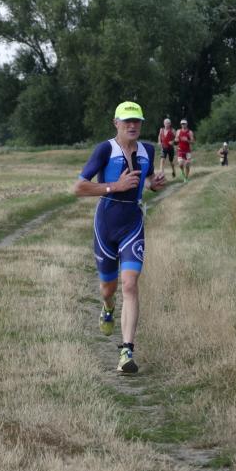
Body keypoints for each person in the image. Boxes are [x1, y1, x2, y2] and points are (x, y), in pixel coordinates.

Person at [73, 101, 166, 373]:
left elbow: (146, 179)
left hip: (132, 224)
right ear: (116, 123)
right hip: (106, 224)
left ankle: (127, 351)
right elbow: (79, 187)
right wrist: (115, 186)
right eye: (127, 121)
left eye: (137, 121)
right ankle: (107, 306)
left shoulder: (148, 150)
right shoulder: (105, 149)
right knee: (108, 288)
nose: (132, 125)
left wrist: (153, 184)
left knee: (130, 284)